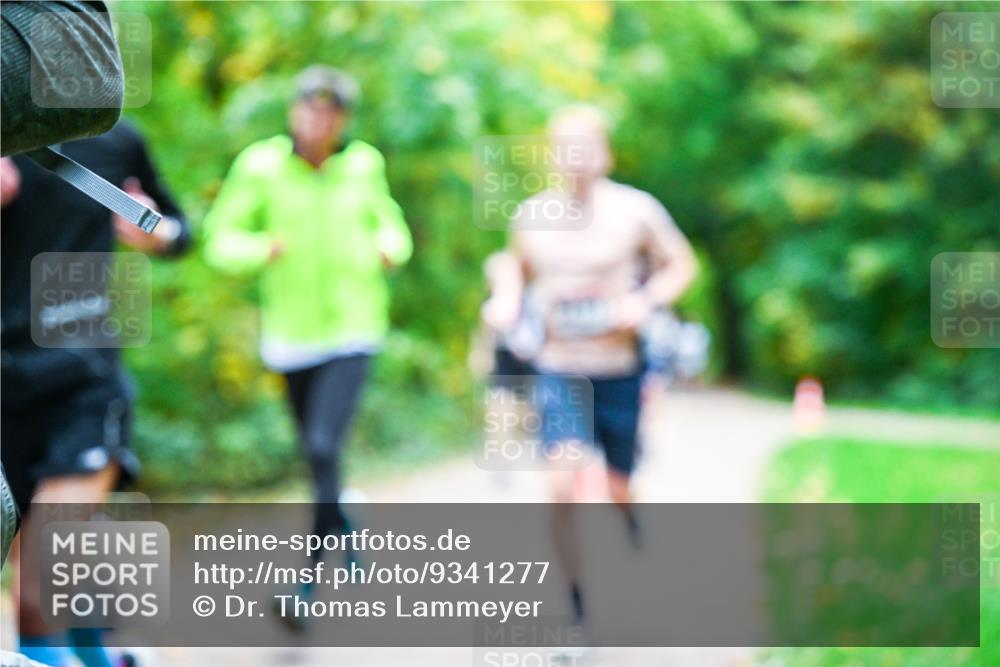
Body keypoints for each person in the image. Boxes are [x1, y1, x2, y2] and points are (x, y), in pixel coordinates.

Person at [203, 66, 413, 615]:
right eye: (311, 107)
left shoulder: (364, 164)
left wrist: (389, 246)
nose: (320, 118)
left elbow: (391, 224)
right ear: (295, 110)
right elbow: (220, 239)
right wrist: (261, 249)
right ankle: (344, 515)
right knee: (316, 456)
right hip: (291, 334)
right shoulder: (262, 165)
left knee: (323, 447)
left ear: (343, 119)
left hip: (354, 326)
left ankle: (307, 583)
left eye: (332, 110)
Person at [484, 105, 698, 631]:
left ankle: (630, 517)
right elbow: (512, 266)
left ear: (605, 154)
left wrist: (644, 302)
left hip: (621, 368)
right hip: (560, 369)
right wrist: (507, 298)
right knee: (562, 484)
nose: (575, 159)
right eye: (565, 148)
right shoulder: (532, 215)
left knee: (618, 488)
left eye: (585, 147)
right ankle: (575, 602)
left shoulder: (636, 210)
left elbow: (682, 264)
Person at [1, 119, 191, 667]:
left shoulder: (117, 137)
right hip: (5, 393)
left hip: (84, 385)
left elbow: (180, 230)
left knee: (38, 595)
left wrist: (158, 232)